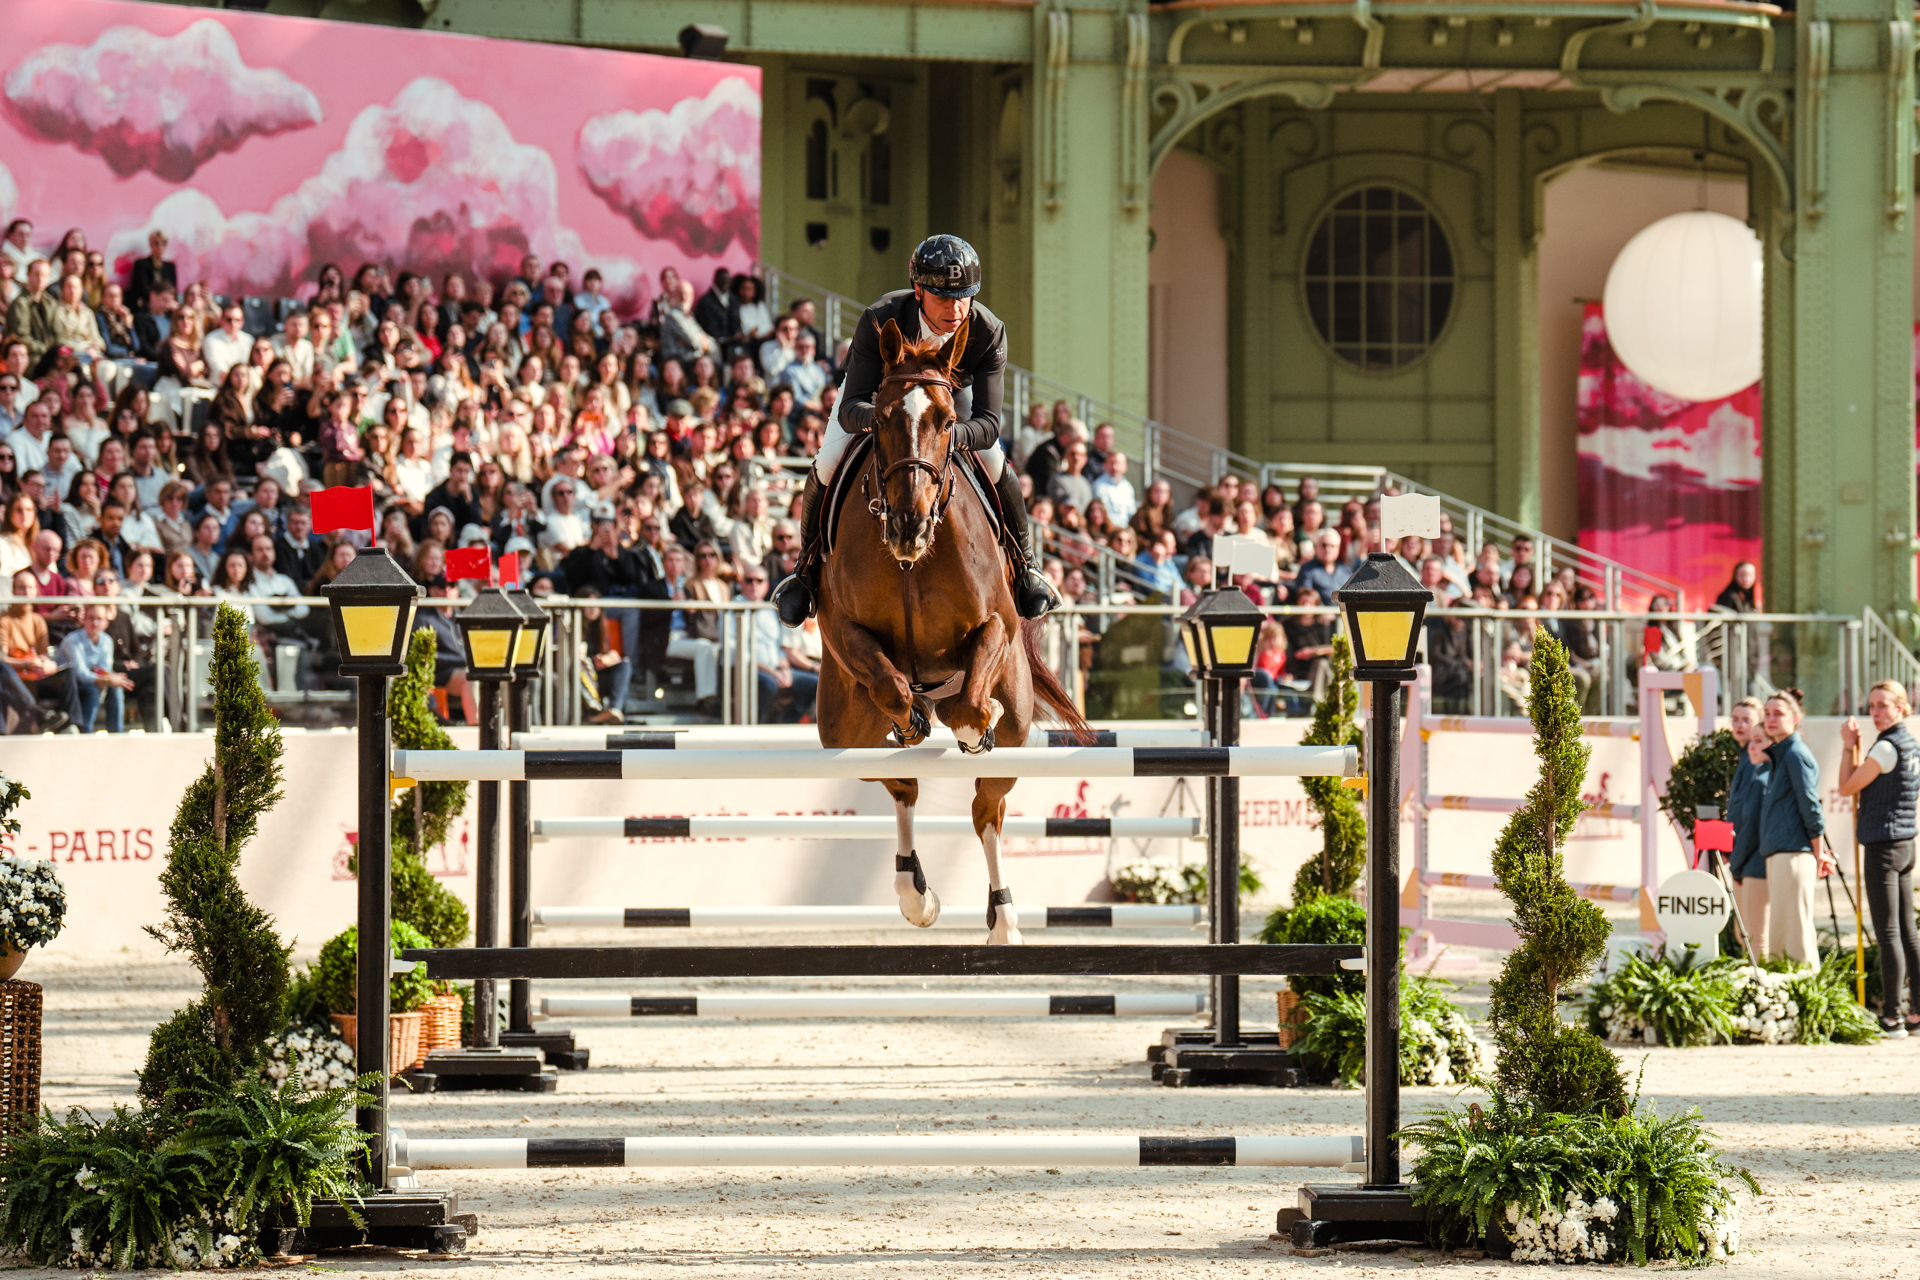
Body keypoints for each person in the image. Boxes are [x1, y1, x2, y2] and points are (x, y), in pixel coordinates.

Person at [771, 235, 1055, 625]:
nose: (956, 309)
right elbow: (851, 406)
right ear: (918, 291)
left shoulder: (988, 331)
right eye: (944, 298)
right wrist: (891, 423)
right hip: (880, 394)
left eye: (964, 297)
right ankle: (803, 572)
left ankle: (1026, 567)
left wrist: (943, 437)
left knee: (993, 461)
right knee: (828, 459)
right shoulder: (880, 317)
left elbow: (989, 425)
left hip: (949, 394)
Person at [1837, 681, 1920, 1036]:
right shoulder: (1909, 743)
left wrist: (1847, 748)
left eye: (1882, 705)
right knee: (1907, 931)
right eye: (1872, 705)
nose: (1875, 712)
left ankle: (1892, 1016)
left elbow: (1847, 786)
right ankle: (1916, 1012)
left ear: (1900, 708)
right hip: (1904, 842)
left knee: (1889, 933)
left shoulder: (1886, 747)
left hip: (1883, 845)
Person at [1754, 688, 1834, 964]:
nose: (1771, 719)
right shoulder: (1781, 754)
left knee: (1795, 937)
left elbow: (1811, 806)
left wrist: (1819, 852)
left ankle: (1805, 989)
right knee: (1781, 934)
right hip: (1780, 852)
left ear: (1796, 717)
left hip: (1794, 853)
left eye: (1778, 713)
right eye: (1767, 713)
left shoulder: (1795, 754)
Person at [737, 564, 817, 722]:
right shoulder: (732, 608)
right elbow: (737, 652)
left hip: (776, 668)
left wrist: (784, 668)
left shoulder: (769, 610)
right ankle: (758, 724)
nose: (754, 585)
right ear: (741, 584)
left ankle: (788, 723)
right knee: (769, 684)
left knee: (815, 684)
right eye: (749, 580)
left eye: (759, 581)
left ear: (767, 586)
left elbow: (778, 647)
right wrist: (772, 672)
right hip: (748, 669)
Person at [1724, 695, 1771, 958]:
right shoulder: (1744, 757)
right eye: (1735, 719)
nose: (1739, 725)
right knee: (1744, 931)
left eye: (1746, 720)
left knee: (1753, 933)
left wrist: (1737, 858)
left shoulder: (1758, 762)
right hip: (1740, 852)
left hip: (1751, 856)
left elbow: (1750, 817)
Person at [56, 602, 133, 732]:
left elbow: (104, 668)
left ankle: (116, 734)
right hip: (68, 684)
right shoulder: (73, 640)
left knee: (116, 689)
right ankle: (86, 734)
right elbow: (80, 674)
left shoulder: (107, 641)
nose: (94, 622)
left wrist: (109, 678)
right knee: (93, 690)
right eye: (91, 618)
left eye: (99, 619)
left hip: (92, 680)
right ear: (84, 620)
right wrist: (107, 679)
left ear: (106, 623)